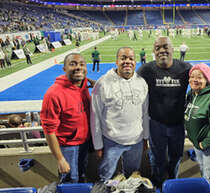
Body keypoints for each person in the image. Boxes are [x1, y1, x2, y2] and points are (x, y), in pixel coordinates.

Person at [137, 36, 210, 189]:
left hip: (178, 124)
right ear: (153, 51)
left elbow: (203, 81)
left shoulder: (185, 68)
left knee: (176, 157)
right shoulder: (145, 70)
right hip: (156, 124)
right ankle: (158, 184)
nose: (162, 50)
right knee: (157, 158)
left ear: (172, 49)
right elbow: (127, 83)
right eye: (158, 48)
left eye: (165, 47)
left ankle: (172, 182)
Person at [90, 47, 149, 181]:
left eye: (131, 58)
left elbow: (145, 113)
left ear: (135, 62)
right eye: (123, 58)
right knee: (107, 178)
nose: (127, 61)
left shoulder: (142, 82)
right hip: (111, 141)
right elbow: (95, 117)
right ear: (116, 61)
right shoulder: (102, 83)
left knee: (133, 178)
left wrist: (145, 137)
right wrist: (98, 145)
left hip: (136, 141)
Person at [40, 53, 93, 183]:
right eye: (73, 64)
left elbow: (83, 79)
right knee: (70, 180)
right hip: (68, 147)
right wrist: (60, 159)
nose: (78, 67)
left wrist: (94, 82)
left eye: (82, 64)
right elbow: (48, 130)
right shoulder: (53, 94)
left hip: (84, 142)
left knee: (81, 175)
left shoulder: (82, 83)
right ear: (64, 69)